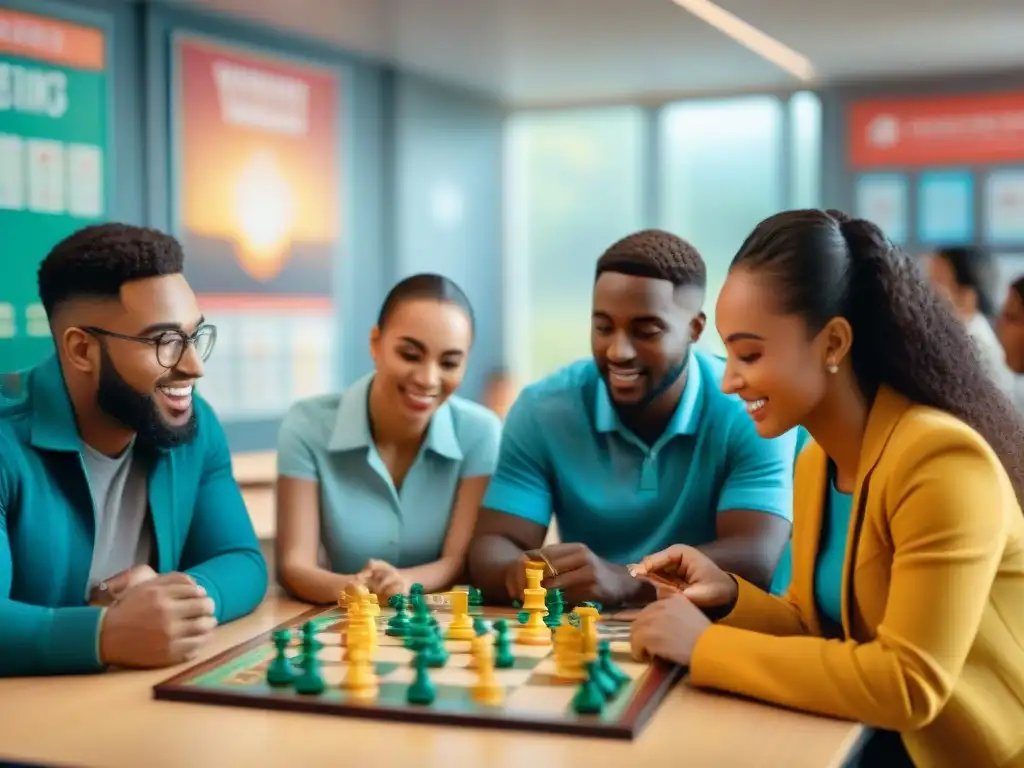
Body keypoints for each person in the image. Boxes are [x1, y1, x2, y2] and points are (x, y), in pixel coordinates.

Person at [629, 210, 1024, 768]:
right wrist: (727, 594)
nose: (729, 380)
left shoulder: (942, 462)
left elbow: (908, 684)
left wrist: (704, 646)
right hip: (870, 743)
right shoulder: (817, 462)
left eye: (750, 354)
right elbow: (817, 630)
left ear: (834, 342)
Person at [467, 230, 796, 609]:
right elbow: (493, 545)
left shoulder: (745, 409)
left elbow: (755, 556)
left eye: (645, 331)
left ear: (694, 329)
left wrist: (626, 579)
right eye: (603, 327)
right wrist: (515, 572)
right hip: (589, 635)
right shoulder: (541, 409)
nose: (618, 351)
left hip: (709, 632)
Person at [0, 224, 268, 677]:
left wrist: (176, 598)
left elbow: (243, 561)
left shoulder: (192, 425)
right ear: (82, 349)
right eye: (164, 342)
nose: (193, 366)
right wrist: (104, 633)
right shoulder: (8, 439)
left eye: (194, 336)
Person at [275, 274, 502, 604]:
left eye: (449, 362)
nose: (428, 378)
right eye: (410, 354)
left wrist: (402, 582)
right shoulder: (306, 425)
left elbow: (457, 561)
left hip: (440, 628)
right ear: (375, 343)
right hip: (346, 625)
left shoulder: (481, 433)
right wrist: (358, 590)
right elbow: (294, 566)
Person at [924, 245, 1015, 396]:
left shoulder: (976, 346)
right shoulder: (958, 337)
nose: (926, 291)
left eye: (937, 281)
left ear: (967, 295)